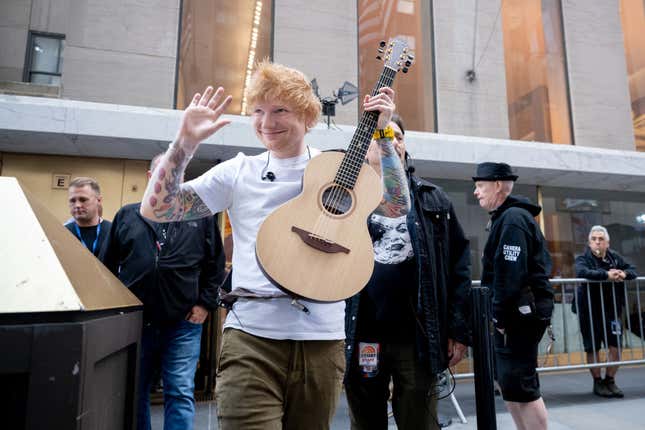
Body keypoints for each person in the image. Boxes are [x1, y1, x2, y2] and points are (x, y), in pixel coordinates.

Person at [138, 60, 410, 429]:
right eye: (258, 111)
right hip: (251, 338)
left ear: (308, 115)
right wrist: (184, 143)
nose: (267, 122)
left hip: (322, 341)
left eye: (280, 110)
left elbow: (396, 205)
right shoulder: (238, 171)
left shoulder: (335, 167)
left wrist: (383, 136)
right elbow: (158, 209)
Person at [345, 114, 471, 430]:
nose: (393, 141)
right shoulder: (344, 199)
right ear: (364, 146)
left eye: (398, 136)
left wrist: (457, 329)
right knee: (365, 420)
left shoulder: (432, 199)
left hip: (415, 336)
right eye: (383, 135)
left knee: (420, 421)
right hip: (364, 334)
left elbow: (459, 265)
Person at [100, 154, 225, 430]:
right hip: (136, 324)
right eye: (163, 173)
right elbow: (106, 268)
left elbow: (215, 266)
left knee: (179, 392)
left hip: (183, 323)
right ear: (149, 177)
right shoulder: (127, 215)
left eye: (176, 173)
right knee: (135, 391)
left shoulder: (201, 216)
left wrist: (205, 304)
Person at [473, 162, 554, 430]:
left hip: (517, 317)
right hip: (513, 315)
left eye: (480, 186)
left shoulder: (512, 219)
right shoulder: (507, 218)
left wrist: (497, 315)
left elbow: (511, 273)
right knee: (510, 384)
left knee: (522, 385)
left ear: (497, 186)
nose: (476, 192)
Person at [574, 225, 637, 398]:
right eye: (593, 239)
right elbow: (582, 272)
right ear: (589, 242)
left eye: (601, 239)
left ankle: (610, 380)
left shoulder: (614, 256)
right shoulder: (583, 257)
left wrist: (624, 273)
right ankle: (597, 382)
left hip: (612, 310)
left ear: (607, 243)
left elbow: (633, 269)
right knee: (592, 348)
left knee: (616, 347)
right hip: (589, 310)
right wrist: (606, 275)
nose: (597, 242)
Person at [65, 177, 111, 257]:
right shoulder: (62, 232)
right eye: (72, 201)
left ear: (99, 201)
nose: (77, 205)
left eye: (83, 200)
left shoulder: (113, 232)